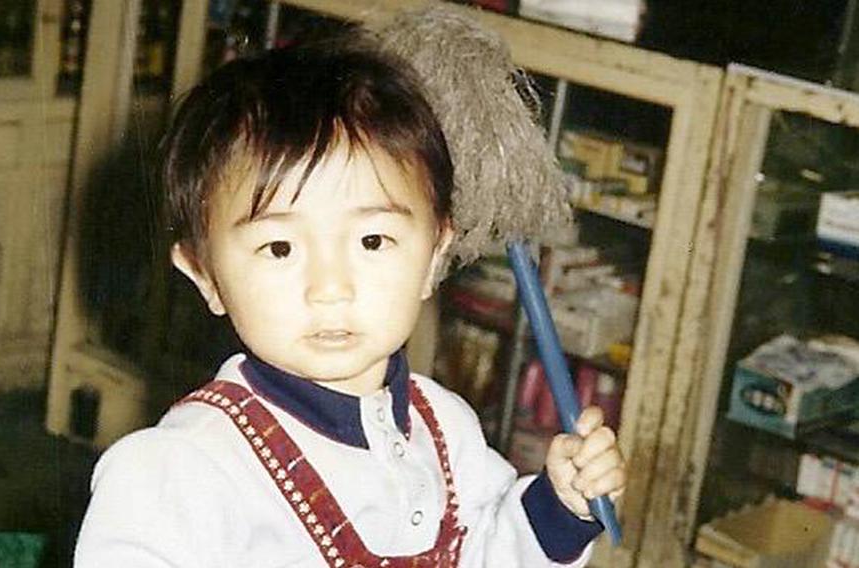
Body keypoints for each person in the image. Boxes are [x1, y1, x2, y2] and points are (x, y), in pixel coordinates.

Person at [74, 34, 626, 567]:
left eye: (371, 241)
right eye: (279, 247)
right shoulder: (182, 469)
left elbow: (487, 550)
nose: (330, 287)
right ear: (206, 277)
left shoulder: (447, 429)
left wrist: (559, 509)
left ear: (435, 256)